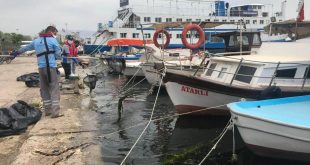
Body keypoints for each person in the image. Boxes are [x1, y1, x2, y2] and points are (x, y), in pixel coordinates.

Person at [10, 25, 63, 118]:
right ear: (51, 32)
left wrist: (16, 52)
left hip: (41, 68)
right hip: (51, 67)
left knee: (44, 88)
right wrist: (55, 56)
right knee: (54, 89)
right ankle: (55, 113)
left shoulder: (36, 41)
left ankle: (48, 111)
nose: (55, 35)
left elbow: (26, 48)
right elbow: (58, 55)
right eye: (55, 33)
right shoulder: (53, 40)